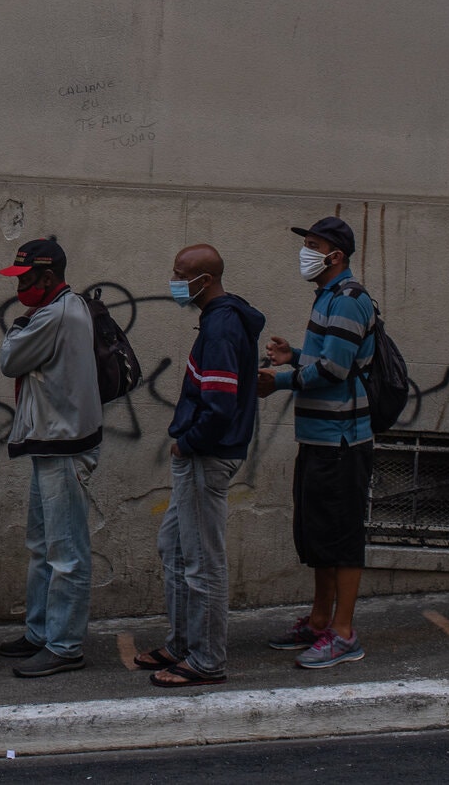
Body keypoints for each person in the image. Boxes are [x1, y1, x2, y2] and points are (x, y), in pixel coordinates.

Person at [135, 244, 260, 688]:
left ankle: (207, 660)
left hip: (207, 456)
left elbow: (220, 402)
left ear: (204, 280)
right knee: (175, 548)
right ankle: (183, 643)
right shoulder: (218, 320)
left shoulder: (222, 326)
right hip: (202, 454)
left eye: (180, 273)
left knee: (202, 560)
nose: (174, 280)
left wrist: (187, 443)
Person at [259, 217, 375, 669]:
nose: (304, 253)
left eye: (312, 245)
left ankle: (344, 634)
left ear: (336, 256)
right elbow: (328, 359)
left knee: (342, 536)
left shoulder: (348, 300)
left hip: (342, 439)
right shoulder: (328, 297)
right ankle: (320, 619)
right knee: (320, 534)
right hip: (320, 437)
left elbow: (335, 372)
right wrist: (296, 358)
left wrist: (281, 380)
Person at [0, 237, 102, 678]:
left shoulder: (56, 314)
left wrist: (17, 328)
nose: (20, 286)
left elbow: (9, 359)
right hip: (50, 441)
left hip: (64, 445)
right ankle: (40, 632)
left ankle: (64, 645)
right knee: (42, 547)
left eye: (26, 278)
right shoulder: (57, 311)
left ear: (49, 277)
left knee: (66, 552)